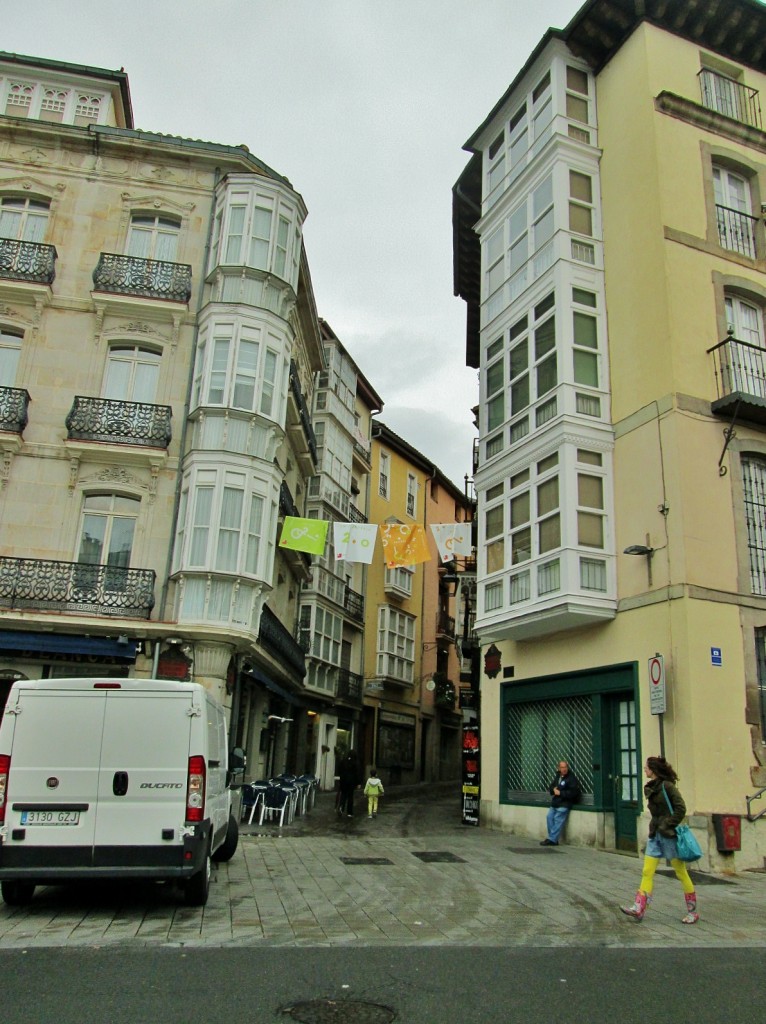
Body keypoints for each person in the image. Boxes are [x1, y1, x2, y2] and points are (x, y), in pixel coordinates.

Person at [620, 755, 699, 924]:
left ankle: (693, 911)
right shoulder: (651, 787)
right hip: (655, 835)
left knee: (681, 872)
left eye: (646, 767)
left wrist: (667, 824)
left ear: (653, 770)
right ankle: (638, 908)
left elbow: (681, 808)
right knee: (647, 871)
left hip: (669, 835)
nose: (644, 770)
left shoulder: (668, 787)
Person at [540, 759, 582, 846]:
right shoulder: (558, 776)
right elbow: (551, 786)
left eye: (565, 767)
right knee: (549, 817)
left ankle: (551, 839)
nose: (564, 769)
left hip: (564, 803)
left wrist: (561, 793)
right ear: (558, 768)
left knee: (558, 819)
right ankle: (553, 839)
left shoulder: (571, 778)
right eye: (562, 767)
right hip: (556, 802)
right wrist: (553, 790)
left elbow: (574, 792)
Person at [337, 750, 361, 817]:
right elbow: (357, 773)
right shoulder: (355, 763)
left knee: (343, 795)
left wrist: (341, 776)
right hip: (351, 782)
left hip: (343, 781)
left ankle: (341, 807)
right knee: (350, 797)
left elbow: (339, 769)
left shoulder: (343, 761)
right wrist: (358, 783)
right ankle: (349, 812)